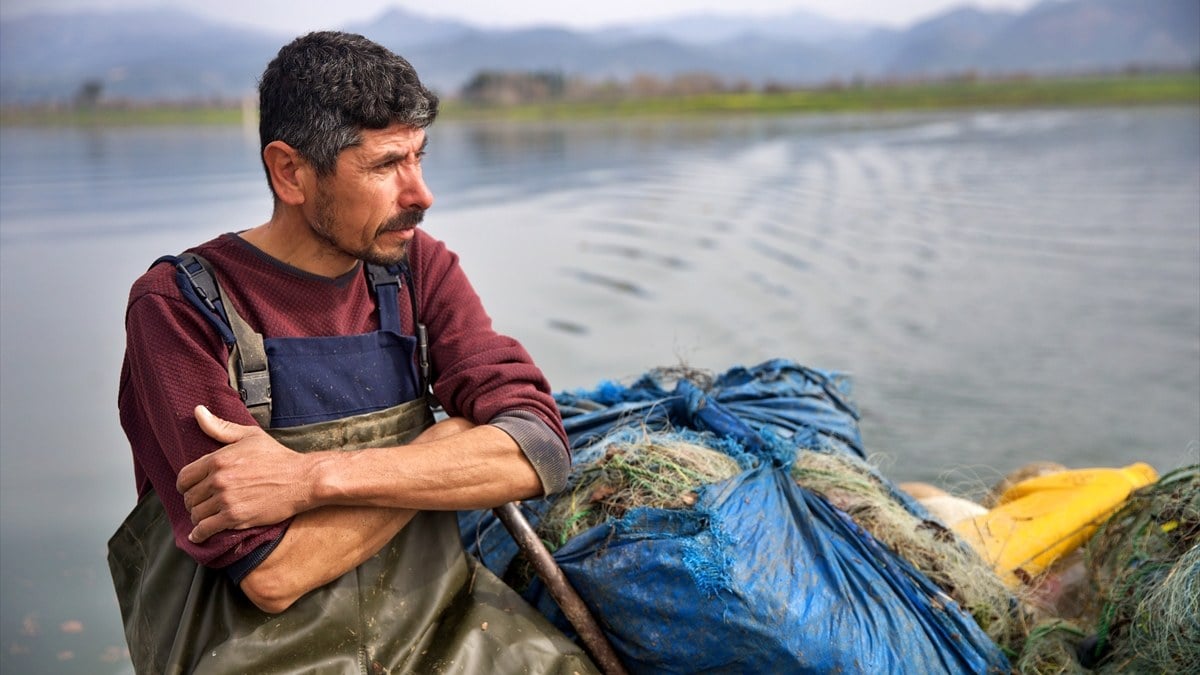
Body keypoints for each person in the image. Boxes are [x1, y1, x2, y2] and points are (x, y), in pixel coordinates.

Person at [110, 31, 597, 674]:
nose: (421, 194)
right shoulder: (178, 306)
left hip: (446, 629)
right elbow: (273, 573)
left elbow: (538, 449)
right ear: (290, 172)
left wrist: (311, 479)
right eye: (385, 165)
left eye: (419, 157)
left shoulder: (418, 269)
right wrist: (448, 445)